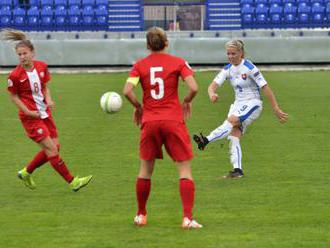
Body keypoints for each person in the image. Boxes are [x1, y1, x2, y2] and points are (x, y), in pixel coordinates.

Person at [123, 27, 202, 229]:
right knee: (184, 170)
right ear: (166, 43)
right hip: (173, 121)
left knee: (145, 170)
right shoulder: (178, 62)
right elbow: (194, 87)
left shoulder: (139, 65)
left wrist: (139, 107)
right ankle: (187, 218)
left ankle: (141, 215)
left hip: (150, 121)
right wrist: (186, 101)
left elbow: (127, 91)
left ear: (148, 45)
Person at [4, 29, 92, 191]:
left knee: (55, 147)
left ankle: (26, 172)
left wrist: (49, 99)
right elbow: (14, 97)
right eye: (19, 55)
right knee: (51, 149)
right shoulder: (15, 75)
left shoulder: (42, 67)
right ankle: (73, 182)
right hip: (30, 118)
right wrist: (28, 112)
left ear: (32, 53)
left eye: (25, 53)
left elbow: (44, 87)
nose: (22, 57)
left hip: (44, 113)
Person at [193, 39, 288, 179]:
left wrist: (276, 108)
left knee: (232, 120)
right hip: (238, 104)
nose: (230, 56)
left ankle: (206, 139)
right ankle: (237, 170)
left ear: (241, 53)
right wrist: (212, 94)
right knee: (234, 134)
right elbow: (212, 86)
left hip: (253, 103)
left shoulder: (250, 68)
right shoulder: (227, 69)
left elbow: (265, 87)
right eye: (228, 54)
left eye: (233, 53)